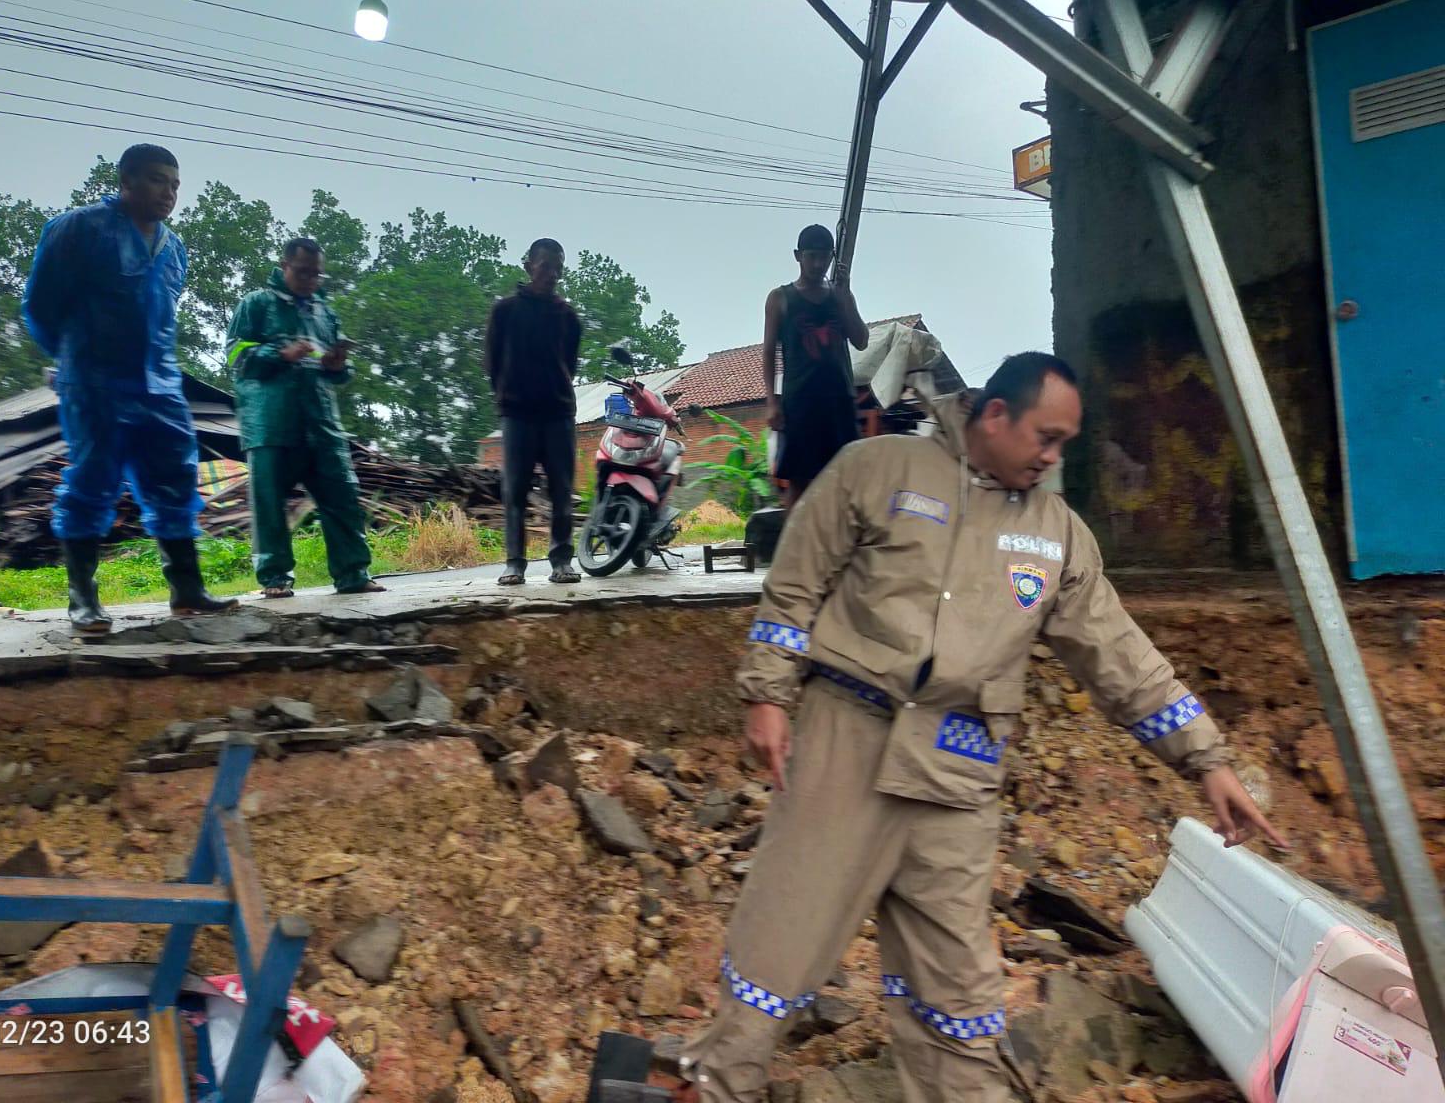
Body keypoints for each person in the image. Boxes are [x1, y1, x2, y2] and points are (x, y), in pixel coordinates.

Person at [675, 353, 1287, 1103]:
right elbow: (796, 581)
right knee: (785, 931)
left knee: (957, 977)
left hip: (959, 766)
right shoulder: (878, 469)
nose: (1053, 457)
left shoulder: (1055, 533)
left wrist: (1206, 760)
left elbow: (1120, 655)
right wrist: (767, 695)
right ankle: (713, 1082)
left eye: (1065, 444)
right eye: (1046, 437)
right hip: (850, 735)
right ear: (994, 414)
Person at [22, 144, 237, 635]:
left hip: (160, 384)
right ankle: (83, 598)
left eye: (176, 185)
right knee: (92, 481)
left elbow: (164, 317)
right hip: (95, 381)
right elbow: (41, 305)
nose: (169, 193)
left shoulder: (175, 247)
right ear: (127, 180)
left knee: (176, 480)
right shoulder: (78, 228)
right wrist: (71, 360)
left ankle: (187, 590)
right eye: (159, 181)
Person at [226, 237, 383, 599]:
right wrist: (280, 352)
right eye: (303, 271)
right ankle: (275, 577)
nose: (310, 279)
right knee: (269, 504)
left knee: (342, 496)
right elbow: (236, 354)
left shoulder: (324, 311)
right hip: (271, 423)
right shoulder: (257, 303)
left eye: (317, 274)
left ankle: (353, 573)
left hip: (322, 423)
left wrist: (338, 365)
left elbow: (339, 373)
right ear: (284, 266)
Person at [484, 238, 583, 587]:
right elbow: (492, 362)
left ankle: (561, 560)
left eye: (557, 267)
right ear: (529, 266)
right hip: (518, 415)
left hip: (558, 413)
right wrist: (508, 397)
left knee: (561, 490)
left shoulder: (567, 316)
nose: (551, 274)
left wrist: (554, 391)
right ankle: (514, 563)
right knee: (514, 491)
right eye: (544, 266)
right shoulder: (505, 311)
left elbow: (568, 364)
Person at [763, 224, 869, 507]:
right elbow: (768, 352)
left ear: (832, 257)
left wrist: (846, 297)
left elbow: (861, 340)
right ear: (798, 256)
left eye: (824, 257)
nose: (818, 263)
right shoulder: (780, 298)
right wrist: (773, 402)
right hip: (800, 402)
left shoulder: (839, 296)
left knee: (846, 478)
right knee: (799, 482)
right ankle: (794, 548)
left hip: (840, 401)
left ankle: (836, 545)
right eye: (811, 256)